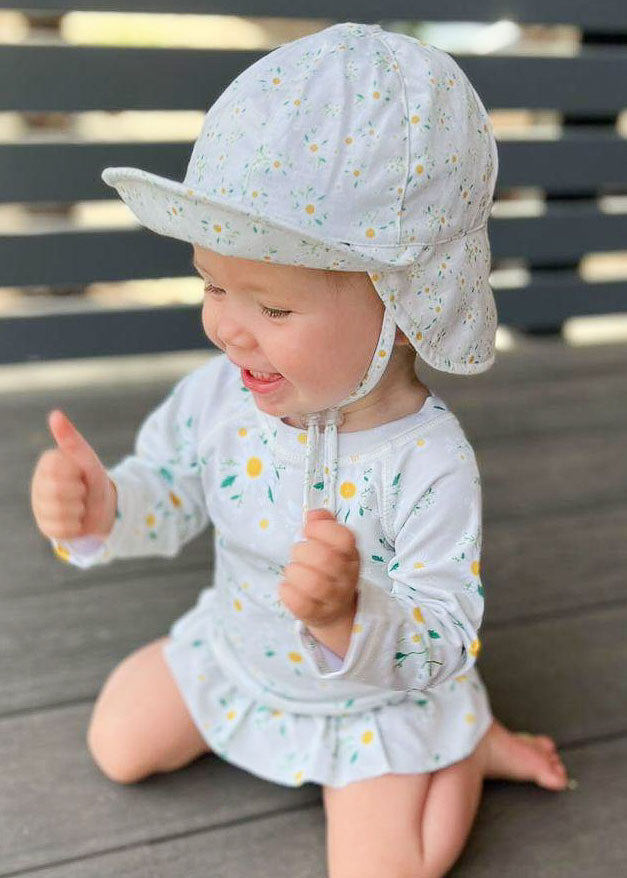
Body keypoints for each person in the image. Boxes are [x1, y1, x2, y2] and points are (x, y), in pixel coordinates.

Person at [30, 22, 570, 877]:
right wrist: (105, 505)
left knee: (393, 869)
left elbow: (445, 627)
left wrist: (348, 617)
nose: (227, 327)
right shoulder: (218, 397)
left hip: (375, 701)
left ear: (404, 310)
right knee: (117, 743)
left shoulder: (425, 462)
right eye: (212, 284)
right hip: (238, 654)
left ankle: (464, 745)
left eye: (273, 309)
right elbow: (169, 488)